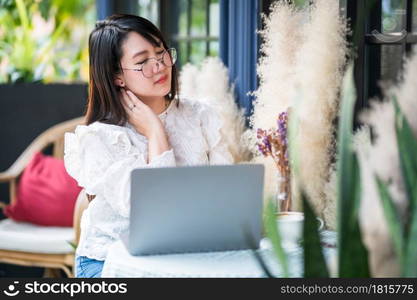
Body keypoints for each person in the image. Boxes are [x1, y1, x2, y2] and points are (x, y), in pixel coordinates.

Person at [64, 14, 234, 278]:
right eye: (143, 62)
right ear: (117, 76)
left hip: (187, 256)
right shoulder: (100, 138)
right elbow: (155, 215)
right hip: (110, 263)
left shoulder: (201, 115)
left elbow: (226, 192)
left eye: (161, 53)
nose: (160, 66)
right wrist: (155, 132)